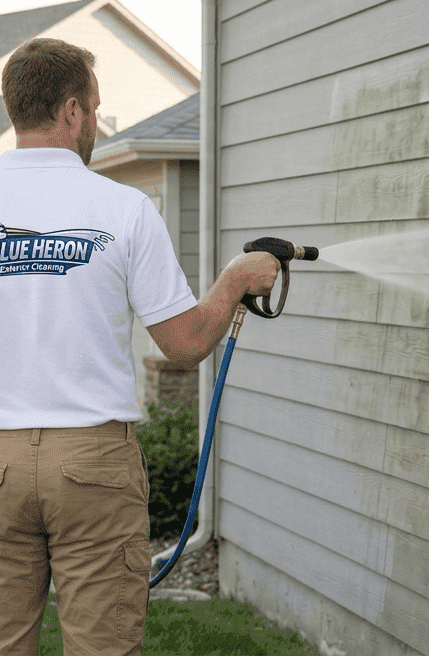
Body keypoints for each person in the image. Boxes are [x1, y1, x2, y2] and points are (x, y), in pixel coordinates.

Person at [0, 38, 279, 655]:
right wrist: (235, 279)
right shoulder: (123, 209)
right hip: (93, 469)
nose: (94, 123)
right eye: (94, 109)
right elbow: (183, 344)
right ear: (73, 111)